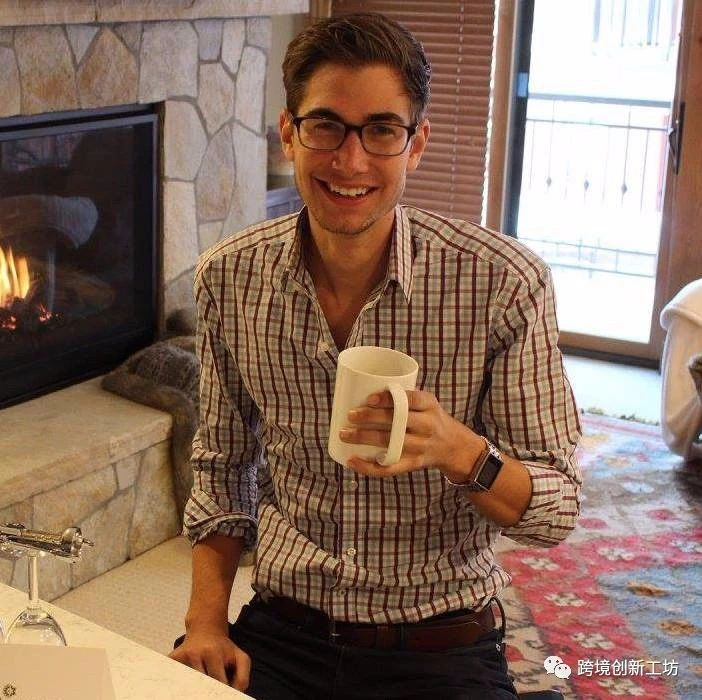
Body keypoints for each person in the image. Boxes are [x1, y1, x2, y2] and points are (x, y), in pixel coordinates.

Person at [170, 12, 582, 700]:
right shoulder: (229, 277)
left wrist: (459, 450)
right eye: (326, 126)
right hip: (285, 628)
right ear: (289, 134)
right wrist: (205, 623)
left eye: (382, 130)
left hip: (440, 643)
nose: (351, 161)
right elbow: (224, 466)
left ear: (416, 144)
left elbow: (556, 510)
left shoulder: (503, 283)